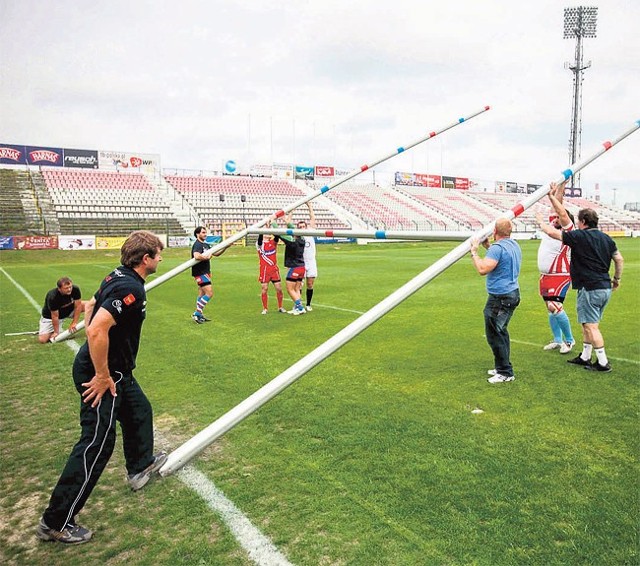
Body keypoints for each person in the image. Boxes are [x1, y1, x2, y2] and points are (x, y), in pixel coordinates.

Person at [36, 231, 167, 545]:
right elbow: (95, 329)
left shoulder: (118, 275)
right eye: (158, 254)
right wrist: (102, 374)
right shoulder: (129, 286)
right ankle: (56, 521)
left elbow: (92, 304)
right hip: (103, 374)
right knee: (97, 442)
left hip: (117, 372)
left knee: (139, 412)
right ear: (145, 258)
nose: (161, 259)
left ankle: (139, 469)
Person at [546, 193, 624, 372]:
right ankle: (585, 356)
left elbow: (552, 232)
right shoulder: (607, 239)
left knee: (591, 326)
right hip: (604, 287)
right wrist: (616, 279)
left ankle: (603, 362)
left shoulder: (579, 236)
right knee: (587, 323)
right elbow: (619, 260)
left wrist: (540, 222)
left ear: (582, 222)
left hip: (590, 287)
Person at [470, 218, 522, 384]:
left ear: (495, 232)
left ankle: (505, 372)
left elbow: (483, 268)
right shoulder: (513, 245)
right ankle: (502, 367)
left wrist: (474, 252)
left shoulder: (498, 248)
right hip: (511, 293)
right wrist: (487, 247)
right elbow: (500, 257)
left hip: (500, 297)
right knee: (501, 331)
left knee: (494, 335)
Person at [535, 181, 576, 354]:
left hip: (560, 274)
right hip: (546, 275)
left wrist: (540, 222)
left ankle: (569, 340)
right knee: (549, 308)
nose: (556, 218)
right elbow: (557, 206)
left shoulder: (569, 231)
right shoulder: (555, 224)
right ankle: (557, 340)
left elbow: (560, 212)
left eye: (560, 217)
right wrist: (559, 188)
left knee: (555, 306)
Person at [191, 226, 226, 324]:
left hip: (205, 271)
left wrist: (226, 247)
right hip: (200, 272)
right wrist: (206, 258)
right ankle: (197, 313)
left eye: (205, 232)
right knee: (209, 293)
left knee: (201, 294)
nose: (205, 234)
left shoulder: (205, 245)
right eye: (203, 232)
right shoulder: (198, 244)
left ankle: (199, 314)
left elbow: (216, 253)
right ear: (197, 234)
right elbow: (197, 256)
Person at [38, 277, 85, 343]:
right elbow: (55, 316)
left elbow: (78, 306)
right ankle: (51, 331)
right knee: (42, 340)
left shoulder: (75, 289)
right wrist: (56, 332)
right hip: (51, 317)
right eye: (66, 288)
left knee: (90, 305)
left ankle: (93, 326)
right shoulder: (53, 297)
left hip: (68, 310)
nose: (69, 289)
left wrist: (74, 322)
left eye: (70, 287)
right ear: (59, 289)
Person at [279, 211, 307, 315]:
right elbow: (291, 227)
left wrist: (273, 221)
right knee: (297, 288)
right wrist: (287, 221)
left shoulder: (291, 242)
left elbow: (277, 231)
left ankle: (300, 307)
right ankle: (297, 308)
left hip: (294, 267)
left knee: (290, 289)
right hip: (302, 267)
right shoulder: (302, 239)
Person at [256, 229, 286, 314]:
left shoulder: (273, 242)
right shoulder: (260, 244)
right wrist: (262, 229)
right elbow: (259, 239)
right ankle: (265, 308)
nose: (268, 234)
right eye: (267, 233)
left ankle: (280, 307)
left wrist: (272, 227)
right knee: (264, 288)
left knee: (279, 289)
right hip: (265, 270)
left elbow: (277, 236)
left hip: (274, 270)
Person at [299, 202, 318, 311]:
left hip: (311, 262)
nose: (302, 228)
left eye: (303, 226)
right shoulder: (297, 236)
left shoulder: (310, 232)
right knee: (299, 285)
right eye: (300, 227)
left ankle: (308, 304)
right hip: (301, 262)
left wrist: (309, 206)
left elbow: (312, 218)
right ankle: (299, 304)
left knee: (310, 284)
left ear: (306, 227)